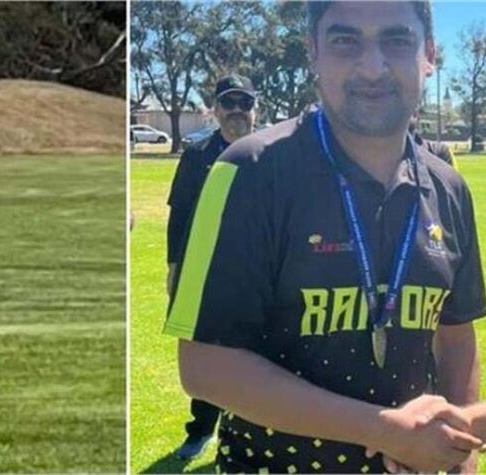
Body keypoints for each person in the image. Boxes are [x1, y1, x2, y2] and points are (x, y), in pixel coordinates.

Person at [164, 2, 485, 473]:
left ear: (430, 55)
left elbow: (456, 336)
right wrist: (381, 429)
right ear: (313, 51)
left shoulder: (449, 187)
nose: (372, 67)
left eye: (396, 40)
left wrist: (458, 453)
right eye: (345, 41)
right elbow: (204, 364)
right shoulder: (247, 170)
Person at [166, 74, 257, 461]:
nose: (237, 111)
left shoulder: (274, 153)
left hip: (259, 274)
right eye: (228, 103)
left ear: (255, 110)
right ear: (215, 109)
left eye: (245, 103)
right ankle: (201, 430)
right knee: (207, 352)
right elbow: (180, 215)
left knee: (258, 357)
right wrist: (174, 266)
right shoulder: (197, 154)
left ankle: (248, 433)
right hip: (208, 272)